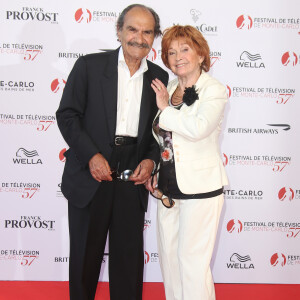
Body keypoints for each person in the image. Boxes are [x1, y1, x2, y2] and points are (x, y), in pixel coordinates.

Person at [56, 4, 168, 300]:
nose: (139, 38)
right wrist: (91, 156)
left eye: (147, 32)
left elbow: (160, 130)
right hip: (90, 172)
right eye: (132, 29)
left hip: (132, 176)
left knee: (129, 263)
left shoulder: (159, 78)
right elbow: (67, 115)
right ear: (119, 31)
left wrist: (151, 160)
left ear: (154, 37)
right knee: (84, 260)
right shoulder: (89, 66)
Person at [146, 25, 228, 300]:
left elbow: (198, 128)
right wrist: (157, 170)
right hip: (168, 189)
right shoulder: (168, 88)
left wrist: (165, 109)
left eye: (184, 49)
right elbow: (164, 138)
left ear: (201, 54)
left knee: (192, 264)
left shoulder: (213, 89)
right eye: (171, 52)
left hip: (201, 189)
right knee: (170, 263)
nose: (177, 56)